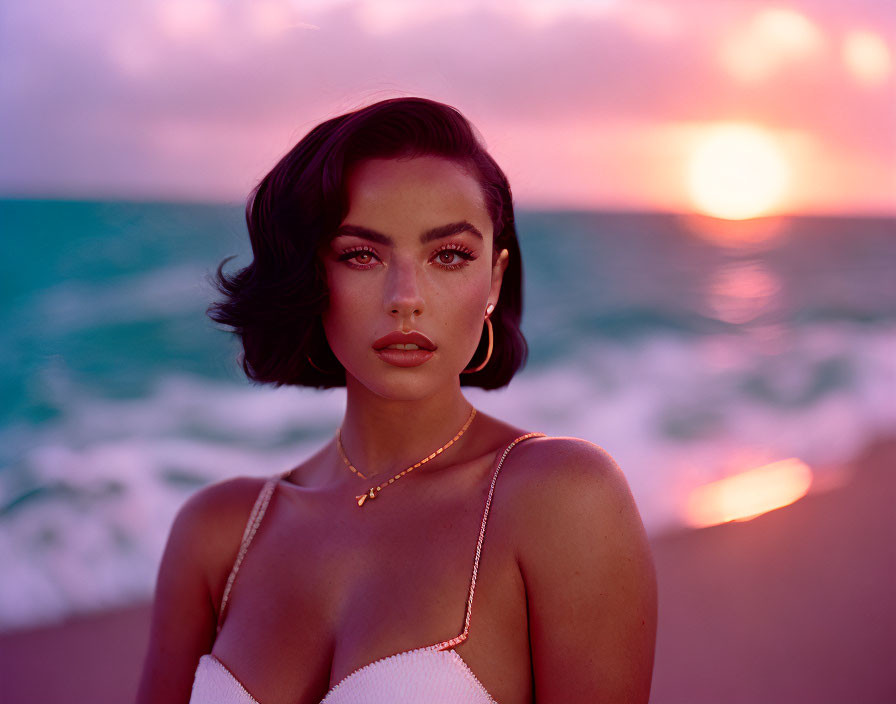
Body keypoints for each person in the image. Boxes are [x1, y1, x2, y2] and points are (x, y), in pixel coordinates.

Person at [136, 96, 657, 704]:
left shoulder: (562, 497)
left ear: (493, 279)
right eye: (362, 254)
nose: (405, 297)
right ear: (313, 277)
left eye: (449, 255)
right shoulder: (217, 534)